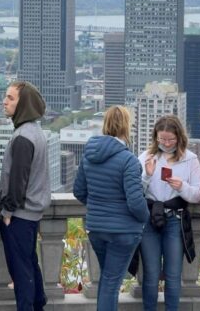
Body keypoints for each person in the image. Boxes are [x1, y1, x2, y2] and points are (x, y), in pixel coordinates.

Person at [74, 105, 149, 311]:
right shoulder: (128, 160)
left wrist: (99, 207)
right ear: (126, 126)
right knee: (111, 283)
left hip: (97, 229)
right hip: (123, 231)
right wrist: (145, 218)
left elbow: (78, 191)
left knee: (107, 280)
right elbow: (135, 202)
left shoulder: (89, 155)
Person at [138, 115, 200, 311]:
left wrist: (181, 186)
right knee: (151, 274)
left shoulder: (190, 159)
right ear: (155, 137)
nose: (166, 143)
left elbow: (197, 194)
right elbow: (136, 192)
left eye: (170, 139)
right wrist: (147, 176)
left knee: (173, 275)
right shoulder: (145, 157)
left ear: (179, 137)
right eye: (162, 139)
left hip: (175, 220)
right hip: (150, 219)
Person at [0, 81, 50, 311]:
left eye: (10, 98)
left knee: (21, 272)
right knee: (29, 264)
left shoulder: (22, 137)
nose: (4, 101)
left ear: (23, 104)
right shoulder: (35, 132)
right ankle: (38, 304)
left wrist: (8, 211)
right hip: (31, 214)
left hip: (19, 214)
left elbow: (18, 178)